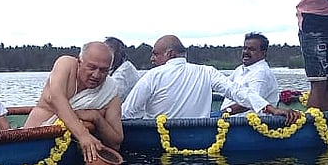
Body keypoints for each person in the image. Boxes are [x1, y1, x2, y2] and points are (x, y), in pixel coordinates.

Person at [122, 35, 298, 123]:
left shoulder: (153, 75)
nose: (152, 59)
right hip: (201, 141)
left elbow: (127, 112)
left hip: (159, 143)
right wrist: (271, 109)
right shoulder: (207, 72)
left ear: (170, 54)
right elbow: (238, 92)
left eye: (155, 54)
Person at [24, 41, 123, 163]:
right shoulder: (66, 64)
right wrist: (83, 136)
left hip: (74, 159)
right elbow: (56, 98)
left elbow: (116, 142)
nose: (96, 75)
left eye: (103, 70)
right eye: (91, 67)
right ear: (79, 62)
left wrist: (96, 117)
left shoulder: (110, 90)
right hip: (34, 141)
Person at [220, 32, 280, 115]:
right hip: (228, 122)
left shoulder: (261, 73)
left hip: (247, 125)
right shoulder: (240, 69)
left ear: (263, 53)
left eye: (252, 49)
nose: (246, 52)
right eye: (245, 48)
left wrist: (223, 113)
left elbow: (251, 102)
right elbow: (223, 86)